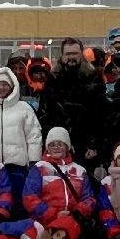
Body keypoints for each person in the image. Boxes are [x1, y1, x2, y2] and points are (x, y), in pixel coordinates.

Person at [0, 66, 43, 210]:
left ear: (12, 85)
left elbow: (34, 135)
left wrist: (34, 161)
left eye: (5, 84)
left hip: (17, 165)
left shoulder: (23, 107)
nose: (1, 88)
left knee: (18, 201)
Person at [23, 127, 98, 239]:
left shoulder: (79, 170)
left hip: (72, 221)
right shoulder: (39, 168)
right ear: (47, 147)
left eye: (60, 144)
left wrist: (77, 213)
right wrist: (54, 214)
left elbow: (89, 198)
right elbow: (29, 198)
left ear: (67, 146)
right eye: (52, 144)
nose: (56, 147)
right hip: (46, 222)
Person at [41, 38, 101, 167]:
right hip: (59, 146)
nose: (71, 57)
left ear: (81, 54)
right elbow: (46, 114)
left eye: (75, 53)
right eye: (68, 54)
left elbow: (99, 115)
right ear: (62, 56)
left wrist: (94, 144)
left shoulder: (93, 78)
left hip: (86, 147)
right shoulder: (53, 79)